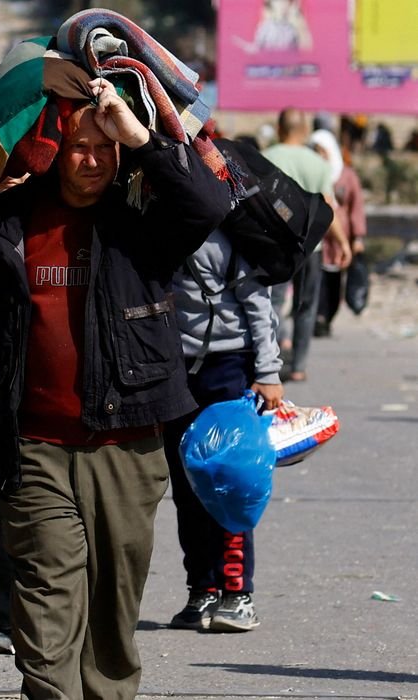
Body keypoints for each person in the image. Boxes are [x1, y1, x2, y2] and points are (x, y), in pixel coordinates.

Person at [0, 79, 232, 699]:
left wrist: (140, 137)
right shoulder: (11, 220)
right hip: (34, 444)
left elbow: (208, 206)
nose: (89, 159)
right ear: (54, 150)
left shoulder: (143, 220)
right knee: (45, 598)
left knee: (114, 605)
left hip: (127, 444)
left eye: (101, 146)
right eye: (76, 146)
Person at [165, 225, 285, 634]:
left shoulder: (229, 237)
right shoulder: (156, 224)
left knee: (233, 482)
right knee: (186, 488)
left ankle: (237, 593)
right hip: (174, 372)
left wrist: (268, 373)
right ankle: (202, 589)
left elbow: (259, 307)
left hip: (229, 370)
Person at [262, 108, 351, 381]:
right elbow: (327, 207)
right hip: (310, 246)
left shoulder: (266, 158)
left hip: (275, 244)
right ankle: (299, 366)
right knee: (306, 305)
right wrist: (341, 242)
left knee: (272, 303)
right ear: (303, 131)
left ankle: (272, 360)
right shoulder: (318, 163)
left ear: (279, 128)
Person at [309, 128, 367, 338]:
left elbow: (356, 206)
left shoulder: (347, 176)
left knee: (334, 282)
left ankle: (327, 316)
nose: (319, 155)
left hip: (339, 239)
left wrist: (358, 237)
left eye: (321, 150)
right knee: (317, 280)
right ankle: (318, 317)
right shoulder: (313, 171)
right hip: (317, 239)